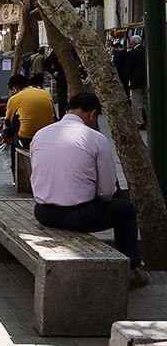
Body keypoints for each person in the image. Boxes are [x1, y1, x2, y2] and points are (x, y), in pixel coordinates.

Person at [30, 92, 149, 289]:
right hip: (80, 215)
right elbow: (107, 191)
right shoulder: (95, 138)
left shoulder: (41, 134)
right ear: (93, 114)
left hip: (44, 212)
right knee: (126, 210)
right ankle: (132, 270)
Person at [0, 74, 55, 178]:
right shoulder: (45, 93)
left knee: (13, 136)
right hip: (48, 135)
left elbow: (7, 122)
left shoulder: (15, 99)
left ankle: (15, 177)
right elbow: (54, 115)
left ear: (15, 88)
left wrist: (3, 134)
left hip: (27, 139)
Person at [125, 35, 146, 130]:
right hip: (146, 80)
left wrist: (125, 80)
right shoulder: (146, 51)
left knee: (136, 102)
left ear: (133, 43)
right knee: (146, 101)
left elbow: (129, 69)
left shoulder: (132, 53)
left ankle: (139, 121)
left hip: (136, 81)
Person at [43, 50, 67, 117]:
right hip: (62, 77)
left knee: (64, 98)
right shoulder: (57, 52)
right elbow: (46, 63)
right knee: (62, 99)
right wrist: (54, 71)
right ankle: (62, 116)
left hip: (66, 77)